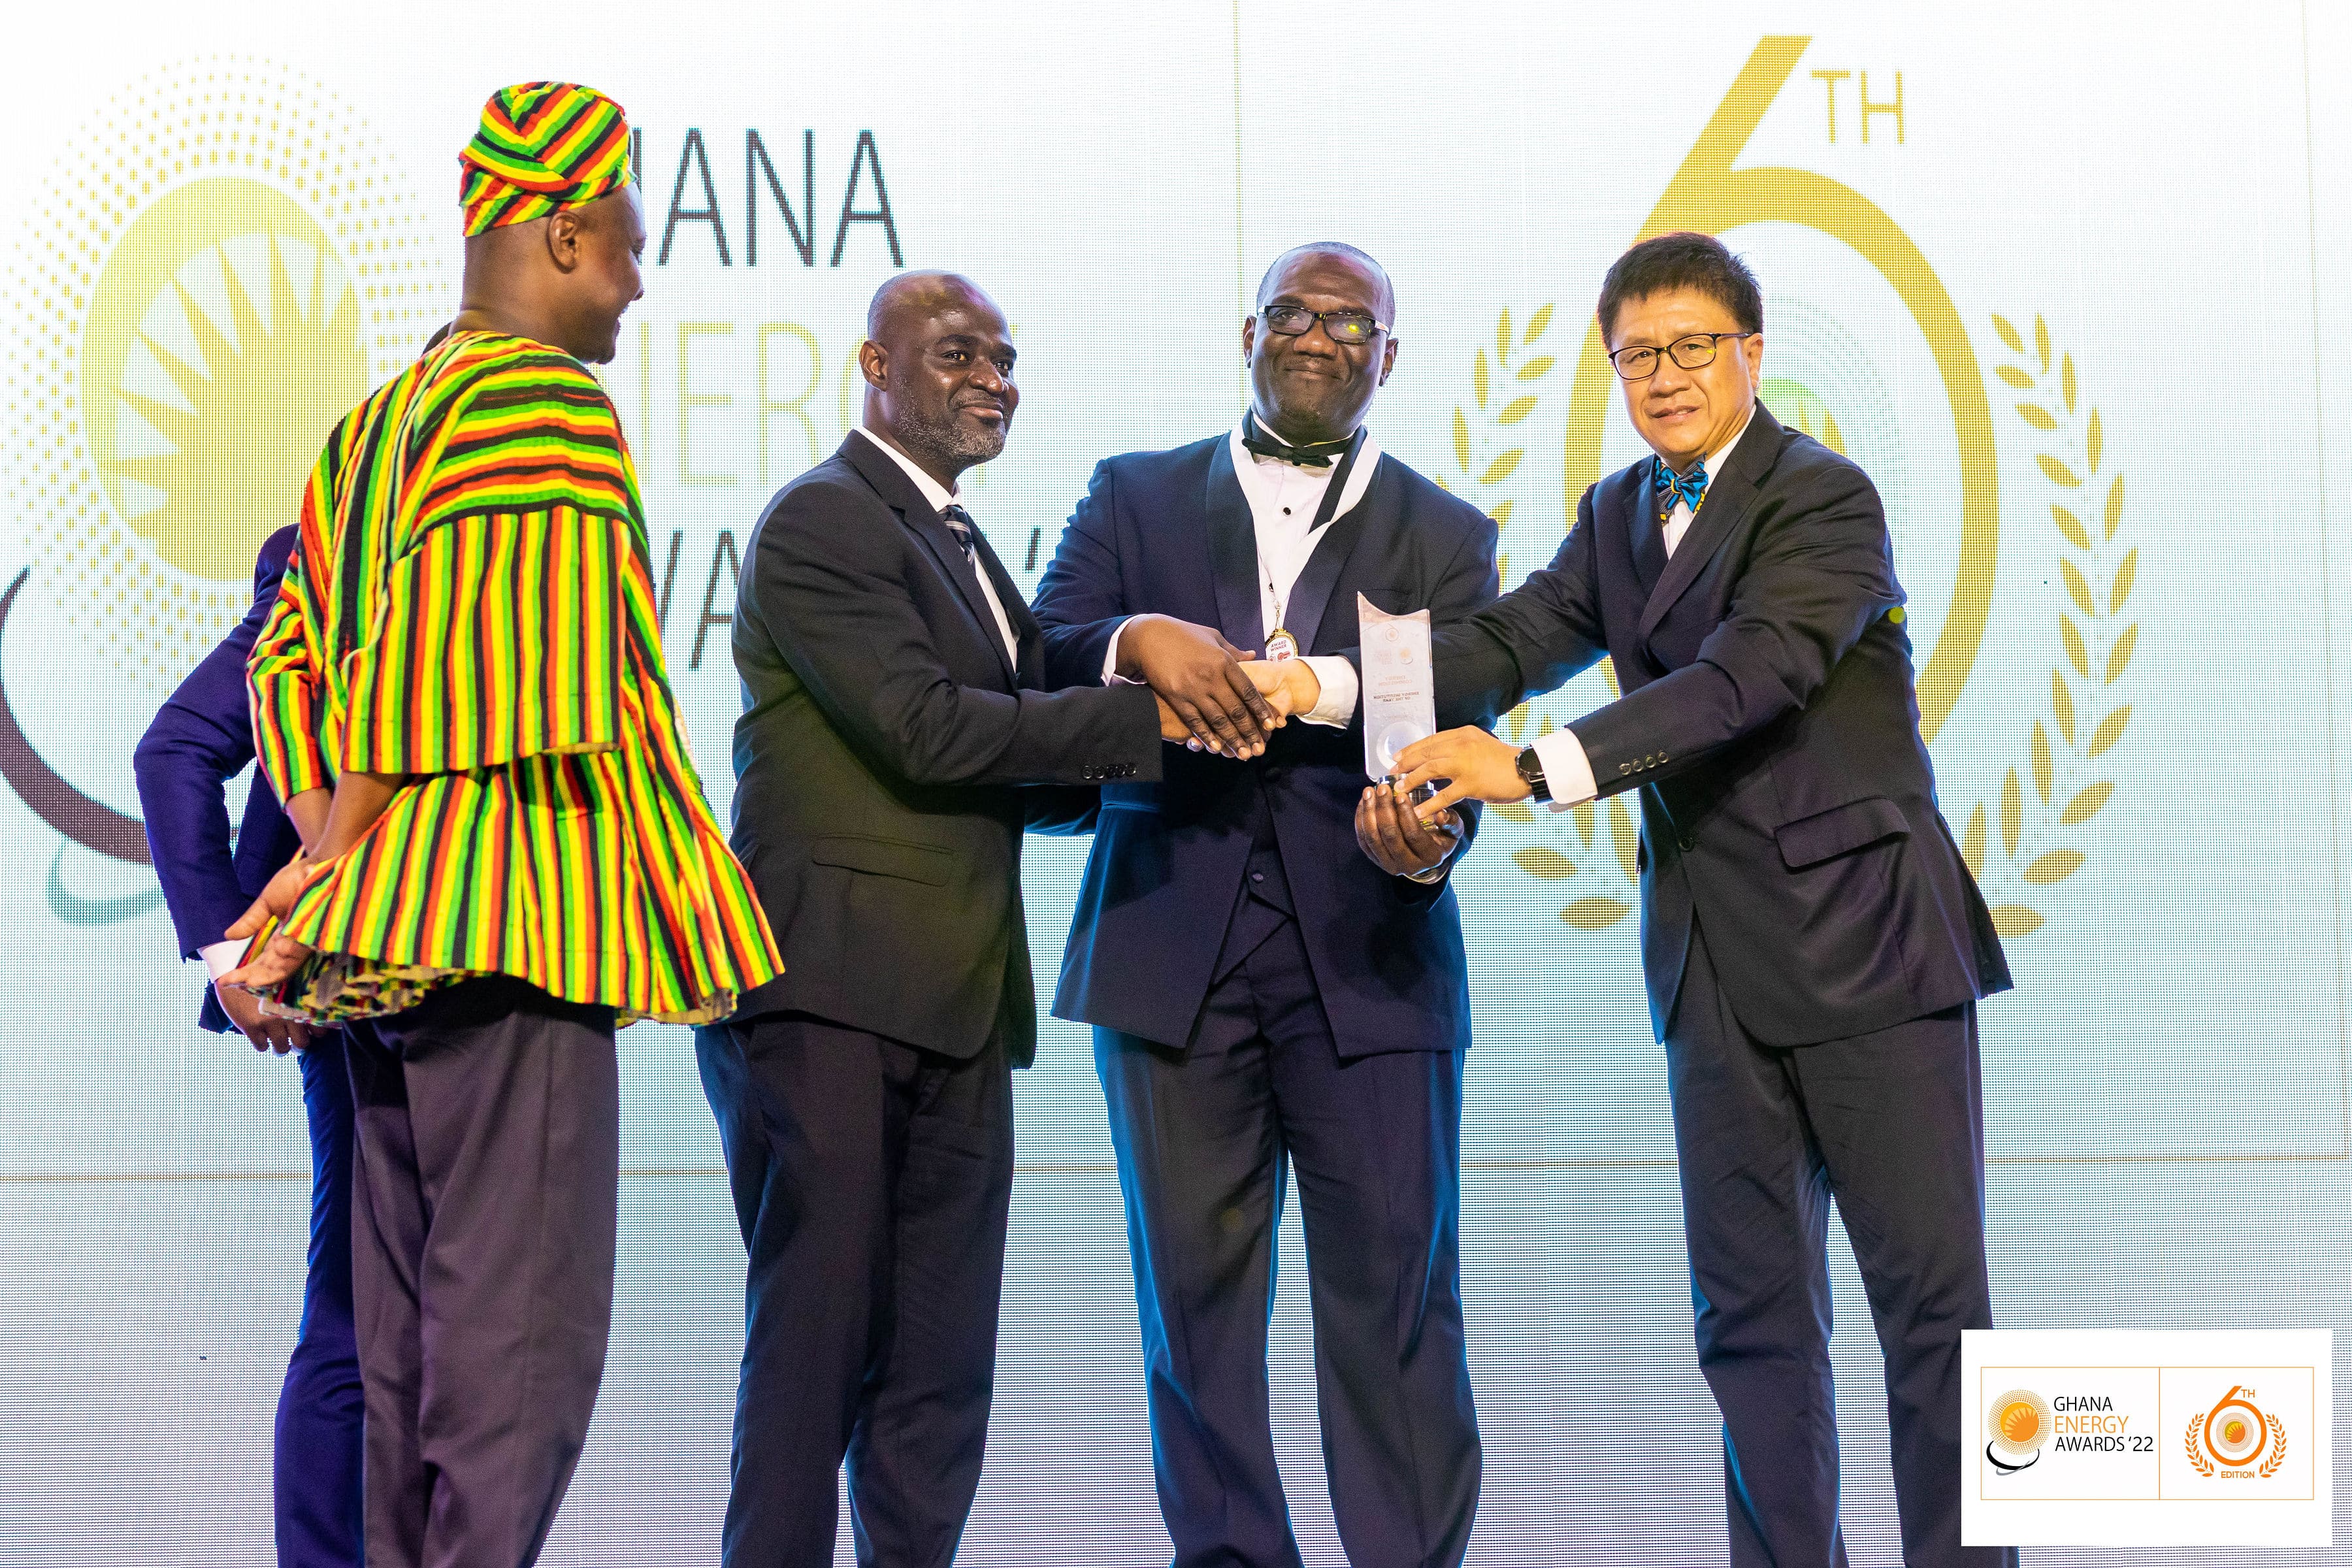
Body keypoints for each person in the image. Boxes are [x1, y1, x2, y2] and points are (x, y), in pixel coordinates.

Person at [1269, 231, 2014, 1567]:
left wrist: (1529, 769)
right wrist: (1315, 686)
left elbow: (1744, 681)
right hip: (1710, 972)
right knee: (1749, 1327)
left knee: (1933, 1324)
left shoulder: (1824, 499)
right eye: (1635, 357)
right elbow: (1510, 641)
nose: (1663, 377)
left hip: (1873, 955)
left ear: (1753, 354)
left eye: (1691, 348)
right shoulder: (1618, 513)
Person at [221, 82, 781, 1568]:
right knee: (514, 1374)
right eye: (628, 248)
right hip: (515, 925)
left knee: (408, 1362)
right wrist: (323, 864)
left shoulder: (372, 425)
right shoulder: (540, 401)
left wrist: (327, 872)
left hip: (389, 950)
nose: (639, 285)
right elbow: (472, 660)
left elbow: (293, 662)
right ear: (560, 234)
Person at [699, 269, 1240, 1568]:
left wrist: (1160, 680)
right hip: (825, 1000)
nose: (993, 378)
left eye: (1003, 357)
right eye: (957, 353)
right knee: (816, 1357)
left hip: (956, 1007)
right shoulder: (825, 519)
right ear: (874, 366)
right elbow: (930, 731)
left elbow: (1024, 750)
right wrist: (1146, 711)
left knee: (939, 1380)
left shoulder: (957, 540)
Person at [1031, 241, 1497, 1568]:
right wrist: (1136, 642)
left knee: (1396, 1306)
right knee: (1195, 1316)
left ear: (1387, 357)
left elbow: (1455, 733)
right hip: (1167, 950)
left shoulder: (1447, 533)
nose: (1315, 336)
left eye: (1349, 323)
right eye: (1291, 312)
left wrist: (1429, 842)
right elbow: (1046, 653)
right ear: (1248, 334)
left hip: (1374, 961)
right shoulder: (1132, 495)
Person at [133, 524, 360, 1568]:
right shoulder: (330, 543)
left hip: (496, 973)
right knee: (357, 1319)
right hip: (358, 981)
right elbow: (175, 748)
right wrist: (232, 954)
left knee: (418, 1324)